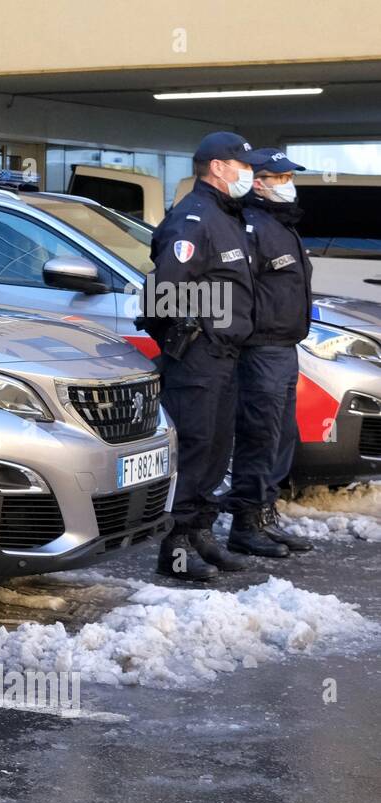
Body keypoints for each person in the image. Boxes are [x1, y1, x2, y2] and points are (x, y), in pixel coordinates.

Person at [147, 131, 259, 581]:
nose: (248, 175)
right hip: (199, 357)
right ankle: (174, 550)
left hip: (226, 356)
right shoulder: (194, 219)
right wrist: (191, 336)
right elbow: (164, 293)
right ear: (218, 168)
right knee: (194, 450)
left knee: (215, 450)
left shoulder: (226, 216)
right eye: (243, 166)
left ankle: (200, 534)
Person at [227, 149, 315, 555]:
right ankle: (245, 525)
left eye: (288, 177)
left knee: (282, 438)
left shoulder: (282, 225)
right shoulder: (251, 226)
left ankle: (264, 515)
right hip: (261, 350)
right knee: (259, 437)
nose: (287, 184)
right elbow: (239, 291)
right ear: (258, 182)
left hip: (285, 348)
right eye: (279, 177)